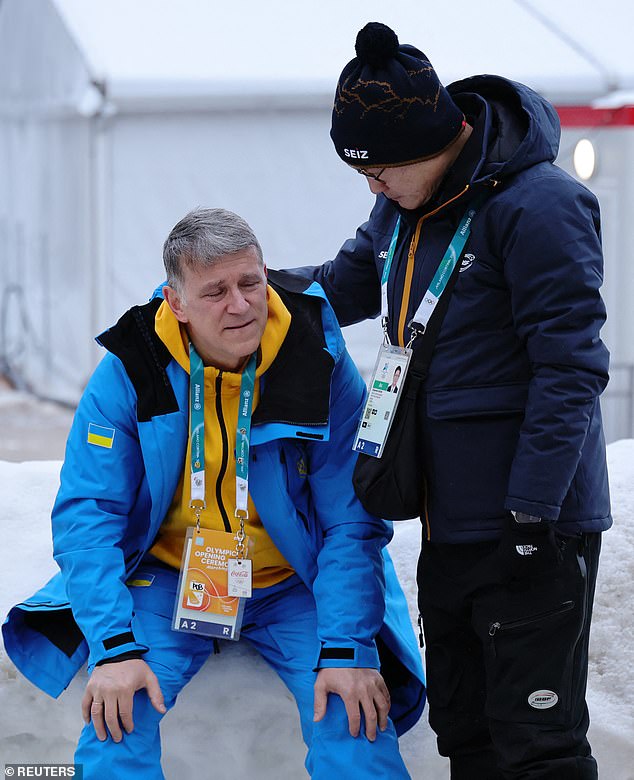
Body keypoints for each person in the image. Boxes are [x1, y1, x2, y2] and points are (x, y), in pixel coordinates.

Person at [2, 208, 426, 779]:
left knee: (353, 720)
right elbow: (89, 514)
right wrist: (114, 646)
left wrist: (347, 647)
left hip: (294, 582)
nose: (241, 304)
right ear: (176, 303)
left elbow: (351, 519)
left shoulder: (317, 358)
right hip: (168, 578)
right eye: (216, 291)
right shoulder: (133, 367)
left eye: (250, 282)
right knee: (118, 718)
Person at [293, 22, 611, 780]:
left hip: (533, 520)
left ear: (430, 141)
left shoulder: (541, 206)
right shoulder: (404, 206)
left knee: (538, 743)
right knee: (467, 734)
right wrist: (239, 293)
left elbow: (570, 369)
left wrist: (531, 515)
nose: (371, 188)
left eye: (379, 172)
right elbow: (340, 287)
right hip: (448, 519)